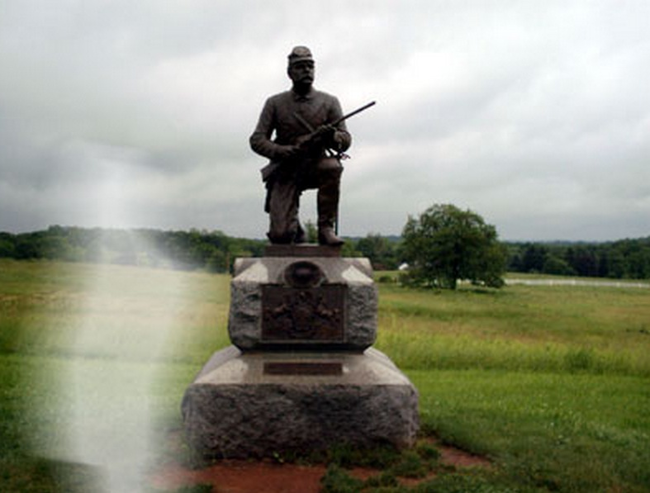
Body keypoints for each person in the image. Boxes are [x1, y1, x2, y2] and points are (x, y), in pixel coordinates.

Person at [250, 46, 351, 246]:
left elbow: (345, 139)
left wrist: (334, 136)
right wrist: (282, 151)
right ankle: (293, 228)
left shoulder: (329, 102)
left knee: (332, 167)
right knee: (280, 236)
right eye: (300, 67)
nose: (306, 70)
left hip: (316, 164)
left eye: (310, 66)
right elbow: (257, 139)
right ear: (290, 73)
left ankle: (325, 228)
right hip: (286, 168)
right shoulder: (275, 103)